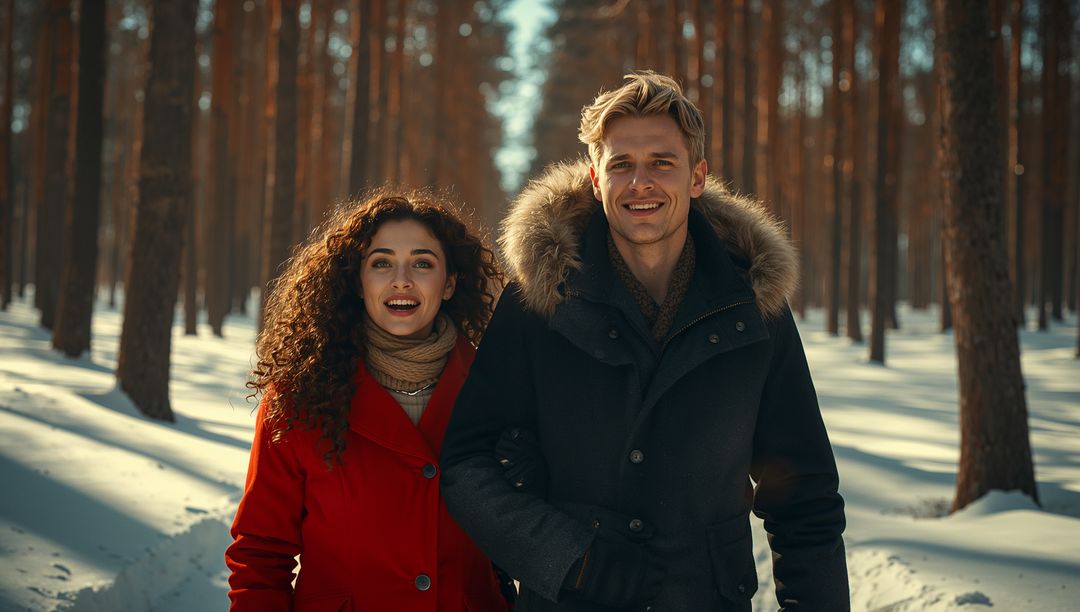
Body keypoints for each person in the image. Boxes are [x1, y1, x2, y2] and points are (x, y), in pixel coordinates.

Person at [440, 71, 849, 611]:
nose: (641, 182)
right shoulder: (540, 301)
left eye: (661, 162)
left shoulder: (752, 307)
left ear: (697, 177)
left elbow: (804, 494)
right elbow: (468, 464)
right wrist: (568, 558)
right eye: (621, 165)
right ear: (594, 178)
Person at [226, 189, 511, 611]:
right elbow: (261, 552)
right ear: (357, 282)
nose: (402, 280)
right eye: (381, 263)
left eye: (422, 263)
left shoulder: (498, 390)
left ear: (449, 283)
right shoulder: (300, 395)